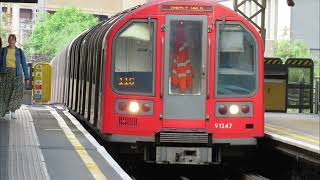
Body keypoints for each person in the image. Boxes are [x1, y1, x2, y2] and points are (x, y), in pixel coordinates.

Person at [0, 34, 30, 120]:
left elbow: (24, 65)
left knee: (16, 93)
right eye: (9, 39)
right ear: (8, 41)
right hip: (5, 74)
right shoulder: (3, 51)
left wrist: (27, 77)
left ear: (15, 41)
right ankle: (6, 111)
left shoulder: (19, 51)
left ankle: (13, 111)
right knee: (5, 93)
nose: (11, 41)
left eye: (12, 39)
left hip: (17, 74)